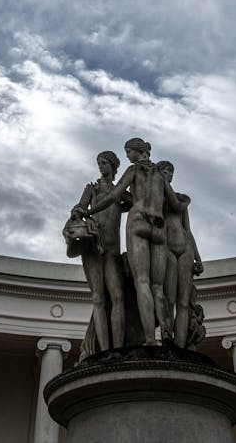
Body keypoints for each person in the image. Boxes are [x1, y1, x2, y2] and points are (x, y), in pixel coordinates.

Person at [87, 138, 184, 345]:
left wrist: (89, 211)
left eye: (128, 152)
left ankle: (150, 339)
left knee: (142, 282)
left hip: (138, 222)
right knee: (158, 286)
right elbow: (175, 204)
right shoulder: (160, 175)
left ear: (137, 152)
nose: (128, 156)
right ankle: (167, 335)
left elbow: (114, 196)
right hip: (159, 228)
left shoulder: (133, 171)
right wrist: (186, 202)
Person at [67, 151, 126, 351]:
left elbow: (138, 204)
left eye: (104, 163)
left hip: (113, 249)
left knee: (117, 296)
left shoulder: (120, 191)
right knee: (99, 298)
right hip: (94, 246)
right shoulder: (91, 189)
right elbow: (78, 209)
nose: (101, 166)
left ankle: (117, 349)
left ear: (113, 166)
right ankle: (104, 350)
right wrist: (78, 212)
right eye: (99, 163)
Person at [158, 160, 203, 348]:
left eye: (171, 172)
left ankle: (181, 345)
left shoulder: (180, 198)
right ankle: (168, 340)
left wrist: (198, 257)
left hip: (185, 248)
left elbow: (188, 229)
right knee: (168, 298)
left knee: (183, 302)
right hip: (166, 247)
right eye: (166, 171)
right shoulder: (155, 199)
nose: (169, 174)